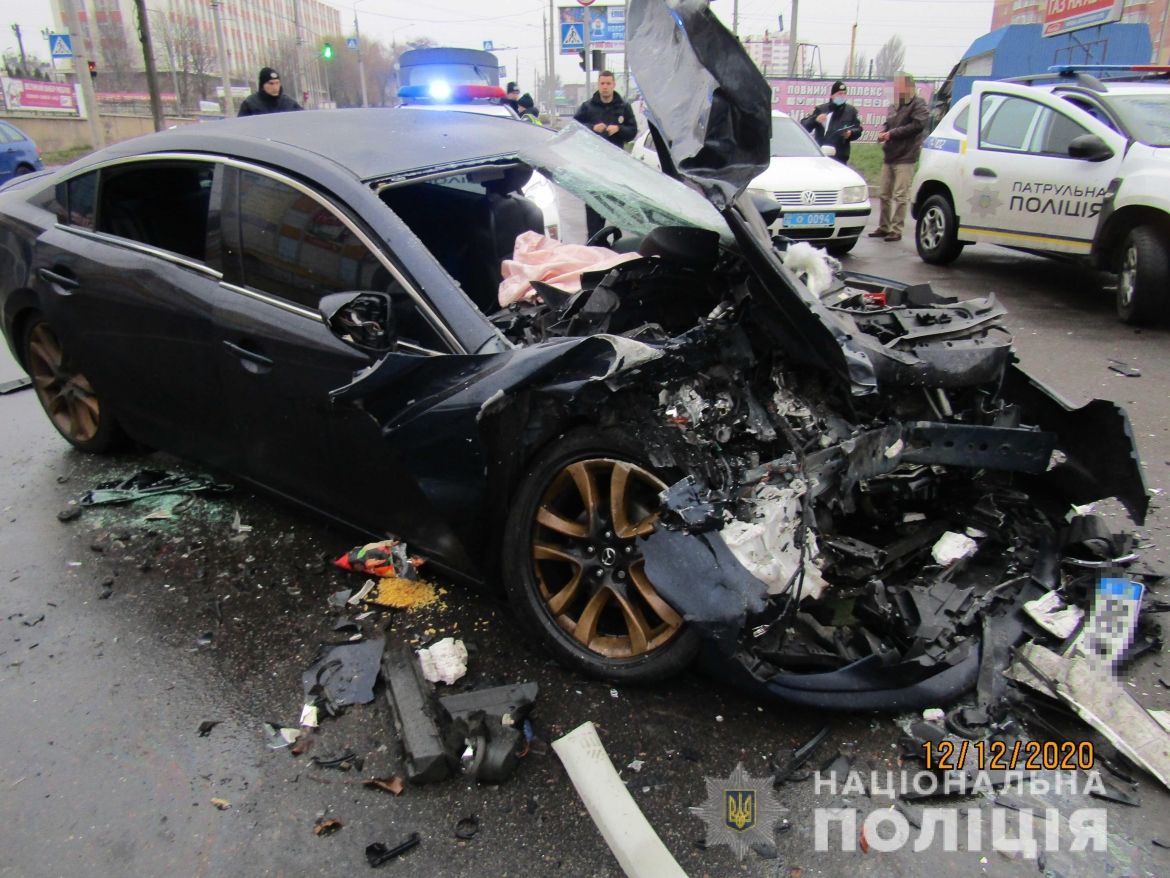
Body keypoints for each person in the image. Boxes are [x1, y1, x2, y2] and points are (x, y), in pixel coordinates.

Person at [573, 71, 637, 238]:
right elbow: (574, 127)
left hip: (615, 166)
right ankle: (595, 239)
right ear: (598, 85)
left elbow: (632, 131)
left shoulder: (623, 107)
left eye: (608, 83)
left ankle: (616, 238)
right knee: (594, 202)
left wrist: (619, 129)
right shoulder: (588, 107)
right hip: (593, 165)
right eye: (602, 84)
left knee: (615, 203)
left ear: (614, 85)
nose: (605, 87)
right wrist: (592, 128)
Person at [868, 72, 928, 242]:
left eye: (899, 85)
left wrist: (892, 134)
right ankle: (883, 226)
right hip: (890, 154)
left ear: (908, 86)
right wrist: (883, 133)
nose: (896, 88)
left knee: (901, 195)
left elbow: (918, 125)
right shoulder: (894, 105)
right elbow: (889, 124)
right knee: (884, 194)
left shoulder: (918, 103)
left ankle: (896, 229)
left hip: (906, 156)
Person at [800, 80, 863, 164]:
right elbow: (804, 126)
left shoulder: (851, 111)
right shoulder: (821, 109)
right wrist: (815, 119)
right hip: (822, 155)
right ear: (832, 95)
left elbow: (858, 129)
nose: (842, 96)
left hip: (840, 156)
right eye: (839, 94)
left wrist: (850, 133)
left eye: (844, 93)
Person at [238, 67, 303, 116]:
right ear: (262, 85)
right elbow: (242, 127)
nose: (275, 87)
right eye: (271, 83)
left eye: (277, 83)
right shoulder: (250, 105)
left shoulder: (289, 104)